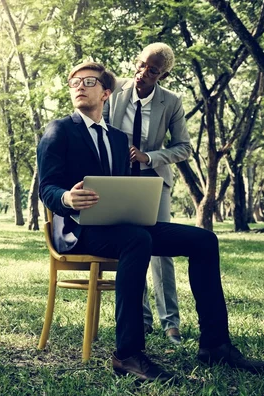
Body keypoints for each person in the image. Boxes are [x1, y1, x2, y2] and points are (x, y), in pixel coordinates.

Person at [37, 60, 264, 382]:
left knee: (204, 241)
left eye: (88, 82)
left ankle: (215, 345)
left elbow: (123, 189)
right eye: (73, 83)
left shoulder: (118, 140)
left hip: (122, 225)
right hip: (79, 231)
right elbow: (46, 187)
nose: (78, 87)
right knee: (137, 240)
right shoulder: (59, 130)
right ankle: (127, 354)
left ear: (106, 93)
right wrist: (66, 198)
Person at [103, 43, 190, 345]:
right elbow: (97, 127)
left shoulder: (172, 102)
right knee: (132, 246)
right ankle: (140, 320)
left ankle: (171, 324)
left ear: (164, 75)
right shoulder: (113, 91)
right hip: (117, 182)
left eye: (152, 70)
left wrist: (148, 157)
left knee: (161, 249)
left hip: (153, 181)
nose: (143, 73)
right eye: (141, 65)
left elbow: (184, 147)